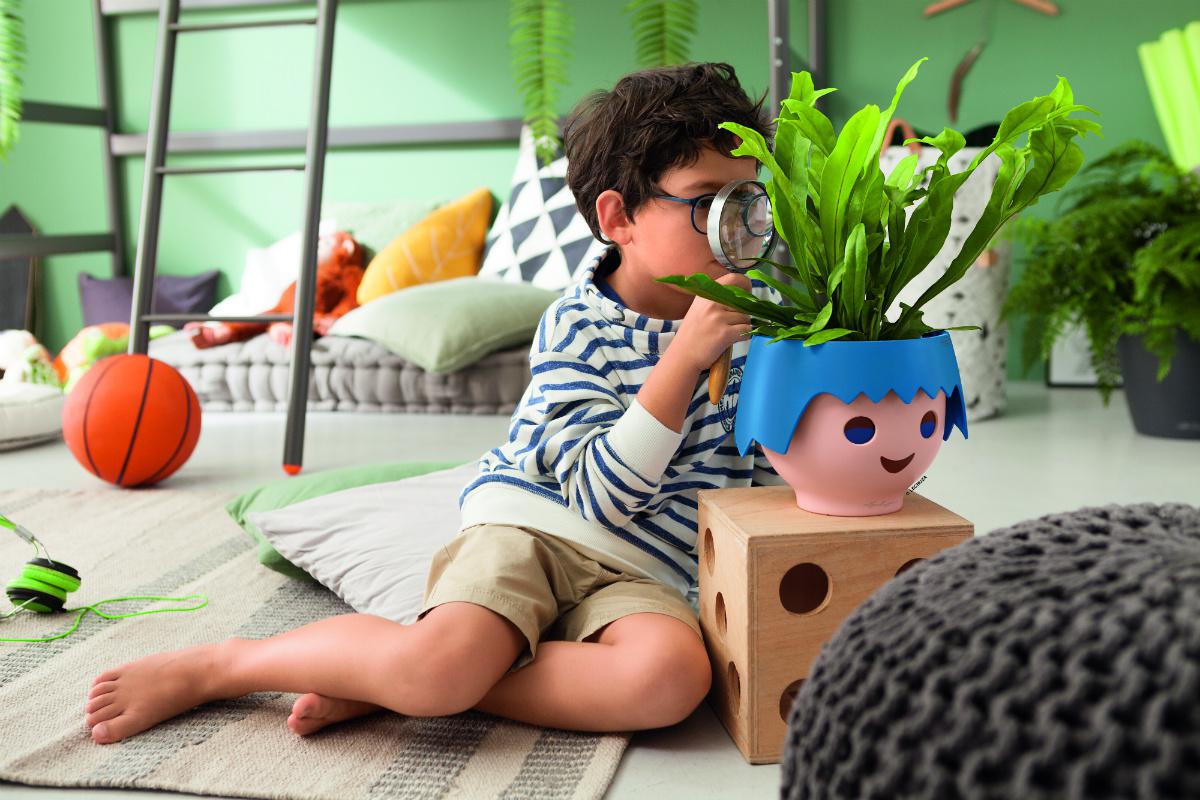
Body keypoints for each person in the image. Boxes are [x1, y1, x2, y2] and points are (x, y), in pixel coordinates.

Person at [83, 61, 784, 745]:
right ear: (618, 216)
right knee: (441, 666)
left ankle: (385, 677)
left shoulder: (763, 327)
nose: (738, 229)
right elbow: (603, 497)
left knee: (668, 681)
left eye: (748, 202)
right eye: (706, 203)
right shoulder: (578, 326)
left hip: (649, 569)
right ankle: (228, 665)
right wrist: (684, 358)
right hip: (539, 529)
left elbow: (767, 479)